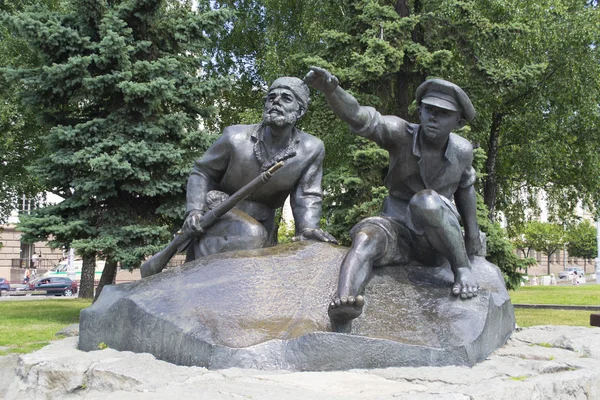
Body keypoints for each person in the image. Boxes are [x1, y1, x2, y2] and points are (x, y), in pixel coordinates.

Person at [304, 67, 481, 329]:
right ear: (419, 110)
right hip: (396, 225)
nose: (433, 118)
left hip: (437, 235)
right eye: (429, 110)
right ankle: (344, 303)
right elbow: (361, 118)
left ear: (458, 122)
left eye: (443, 114)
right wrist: (332, 90)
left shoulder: (463, 151)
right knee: (365, 238)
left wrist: (470, 244)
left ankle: (461, 271)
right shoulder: (400, 133)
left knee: (426, 201)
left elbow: (466, 189)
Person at [183, 77, 336, 260]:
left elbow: (307, 195)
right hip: (219, 214)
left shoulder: (311, 149)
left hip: (264, 223)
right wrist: (195, 210)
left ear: (300, 111)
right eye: (271, 97)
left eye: (286, 98)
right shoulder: (234, 137)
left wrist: (307, 228)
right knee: (252, 236)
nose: (276, 101)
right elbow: (202, 172)